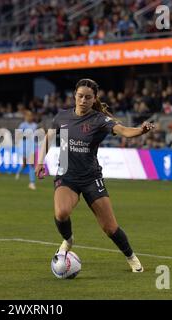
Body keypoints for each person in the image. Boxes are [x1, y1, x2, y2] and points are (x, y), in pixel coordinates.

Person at [35, 79, 154, 273]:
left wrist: (141, 130)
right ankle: (68, 239)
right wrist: (40, 161)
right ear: (74, 95)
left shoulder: (99, 120)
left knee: (110, 228)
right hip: (66, 175)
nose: (83, 100)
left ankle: (131, 258)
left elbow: (124, 131)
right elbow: (48, 138)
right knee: (61, 212)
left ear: (94, 99)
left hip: (91, 178)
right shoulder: (62, 117)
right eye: (80, 96)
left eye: (88, 97)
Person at [15, 110, 39, 190]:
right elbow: (19, 134)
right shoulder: (23, 125)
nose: (30, 117)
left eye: (31, 116)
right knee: (24, 164)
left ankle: (32, 183)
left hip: (32, 146)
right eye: (28, 116)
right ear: (25, 117)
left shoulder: (35, 125)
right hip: (24, 146)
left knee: (31, 164)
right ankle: (18, 173)